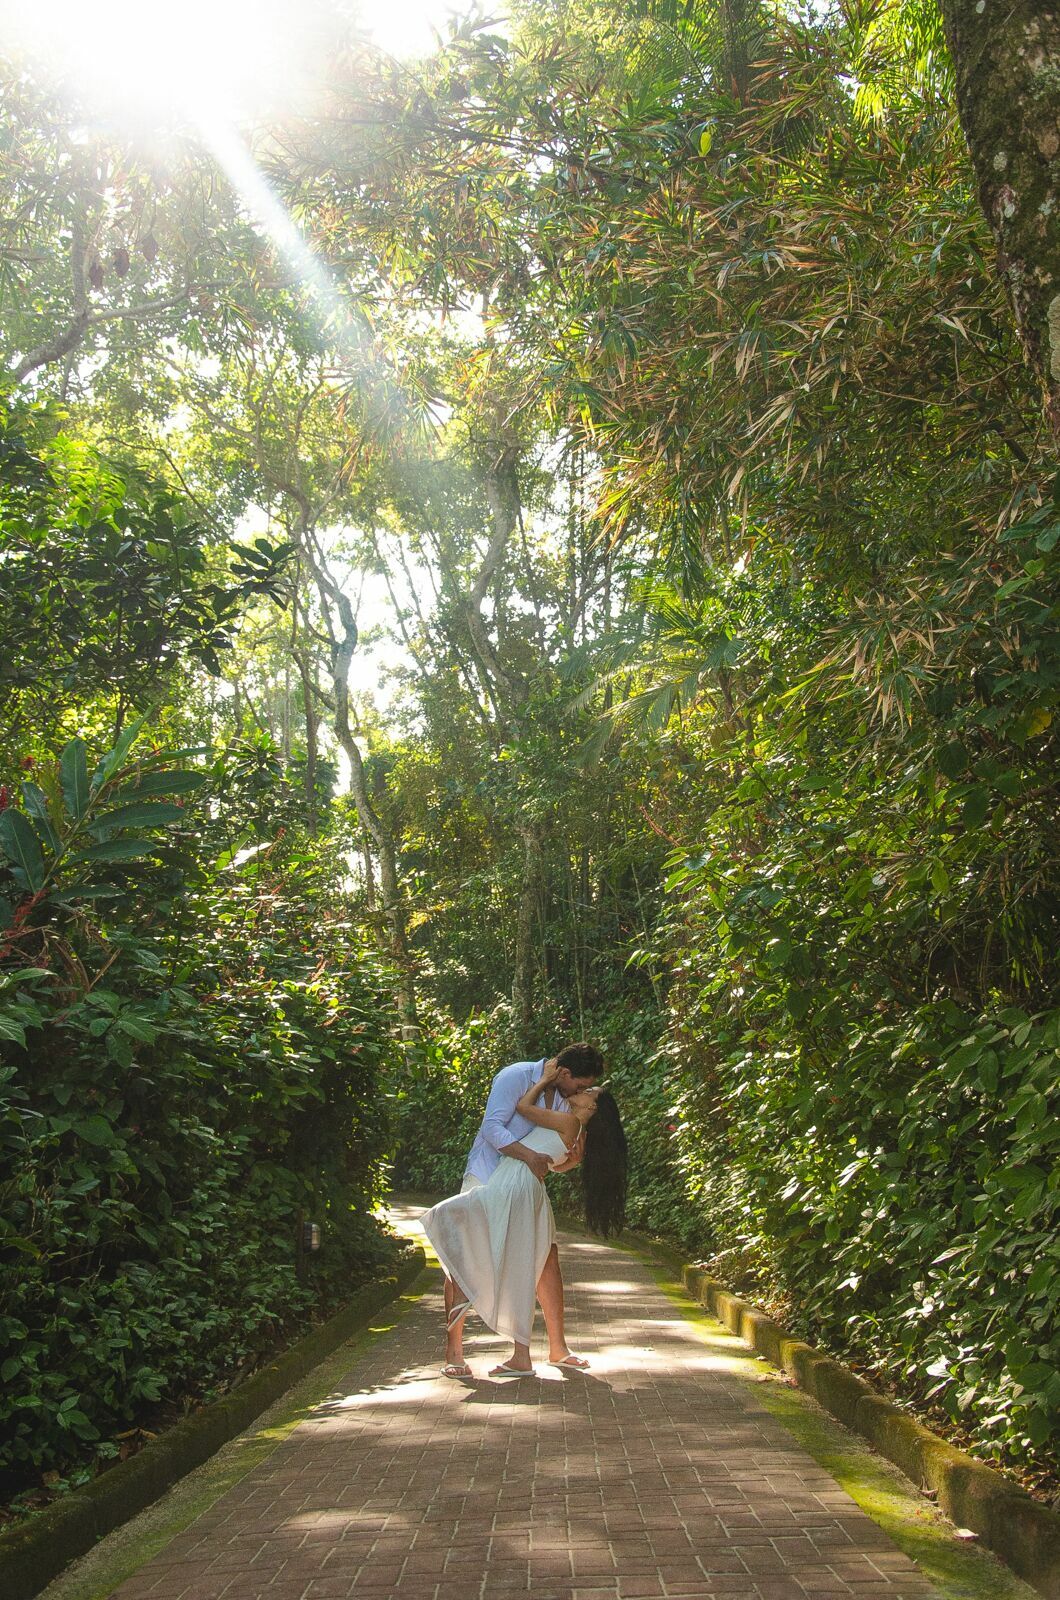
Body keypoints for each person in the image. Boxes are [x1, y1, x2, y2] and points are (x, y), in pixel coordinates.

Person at [421, 1053, 627, 1377]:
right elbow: (492, 1127)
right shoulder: (515, 1076)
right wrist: (534, 1155)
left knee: (545, 1257)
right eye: (582, 1084)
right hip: (489, 1172)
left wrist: (567, 1161)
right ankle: (455, 1351)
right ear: (565, 1072)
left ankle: (554, 1349)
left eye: (588, 1090)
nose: (581, 1090)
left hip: (521, 1183)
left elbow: (550, 1157)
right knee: (464, 1256)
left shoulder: (565, 1103)